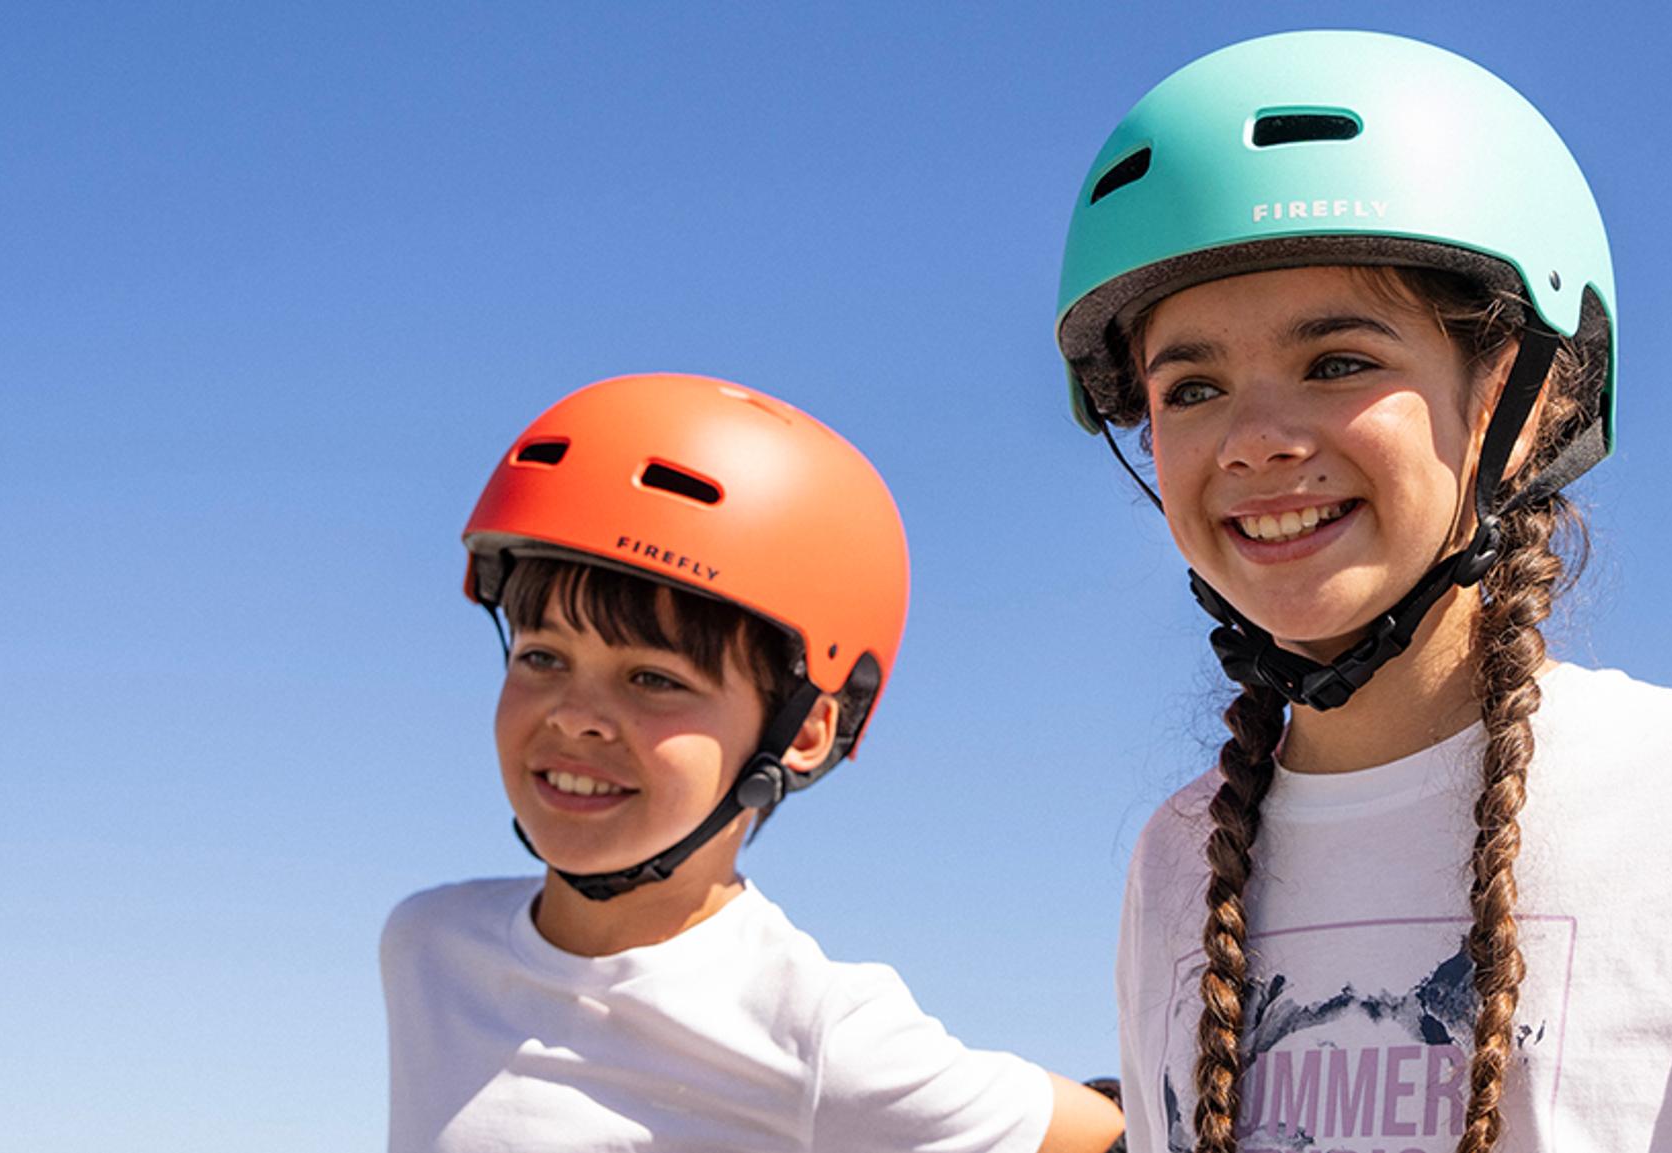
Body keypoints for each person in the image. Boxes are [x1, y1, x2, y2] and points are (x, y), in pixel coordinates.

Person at [1053, 31, 1672, 1153]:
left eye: (1338, 362)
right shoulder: (1175, 856)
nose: (1253, 441)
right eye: (1189, 387)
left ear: (1520, 402)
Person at [381, 372, 1125, 1153]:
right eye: (542, 656)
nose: (574, 714)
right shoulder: (427, 944)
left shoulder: (820, 1031)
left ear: (804, 730)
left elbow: (1117, 1128)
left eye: (654, 679)